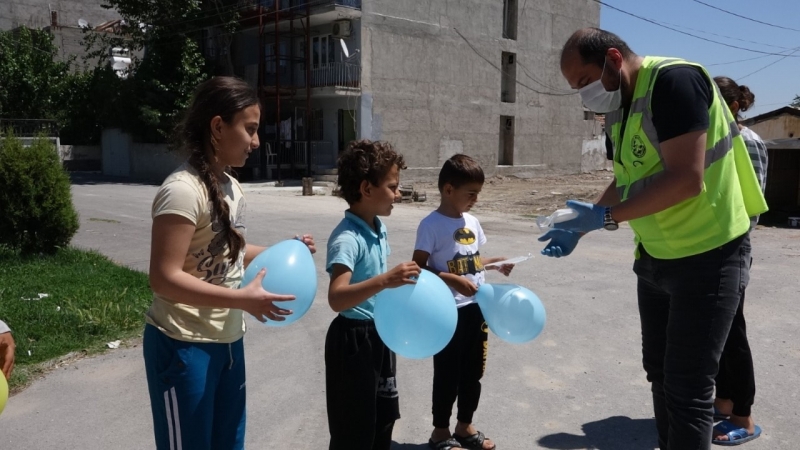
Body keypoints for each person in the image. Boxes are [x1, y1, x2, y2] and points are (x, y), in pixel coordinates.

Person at [541, 28, 767, 450]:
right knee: (660, 375)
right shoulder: (619, 107)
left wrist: (605, 217)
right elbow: (627, 179)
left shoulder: (675, 81)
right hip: (655, 258)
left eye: (584, 81)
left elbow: (686, 180)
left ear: (613, 58)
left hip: (708, 255)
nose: (584, 94)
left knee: (688, 387)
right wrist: (580, 222)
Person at [144, 76, 316, 450]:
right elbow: (163, 278)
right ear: (218, 127)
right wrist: (242, 300)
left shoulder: (231, 187)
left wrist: (281, 248)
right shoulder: (181, 190)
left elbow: (228, 250)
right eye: (250, 130)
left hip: (227, 342)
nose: (256, 142)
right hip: (183, 345)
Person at [412, 154, 513, 450]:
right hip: (447, 312)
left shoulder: (472, 221)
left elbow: (473, 260)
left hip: (476, 309)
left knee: (474, 371)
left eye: (478, 194)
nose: (475, 200)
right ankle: (440, 432)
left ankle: (465, 426)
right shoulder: (431, 224)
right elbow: (417, 267)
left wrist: (496, 263)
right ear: (448, 190)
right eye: (471, 194)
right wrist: (451, 280)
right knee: (447, 372)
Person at [325, 139, 421, 450]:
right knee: (354, 427)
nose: (399, 193)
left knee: (383, 418)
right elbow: (337, 297)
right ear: (367, 189)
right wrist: (384, 280)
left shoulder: (377, 228)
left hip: (379, 334)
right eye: (393, 186)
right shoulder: (347, 238)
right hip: (353, 341)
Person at [710, 76, 767, 445]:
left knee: (733, 333)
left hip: (731, 247)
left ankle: (744, 418)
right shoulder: (713, 137)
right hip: (708, 246)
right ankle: (725, 402)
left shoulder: (747, 140)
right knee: (716, 332)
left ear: (730, 105)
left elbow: (752, 203)